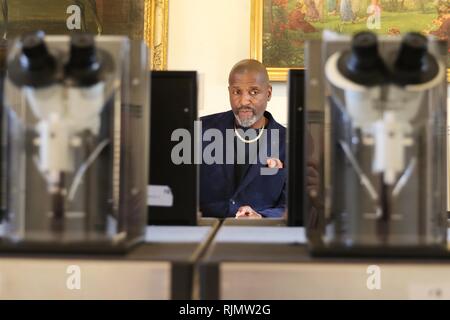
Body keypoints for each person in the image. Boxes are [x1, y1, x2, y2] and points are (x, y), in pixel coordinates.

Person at [199, 59, 286, 219]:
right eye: (237, 92)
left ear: (268, 93)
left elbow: (290, 205)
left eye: (253, 92)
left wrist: (260, 217)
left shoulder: (289, 142)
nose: (244, 101)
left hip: (259, 235)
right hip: (206, 231)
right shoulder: (200, 130)